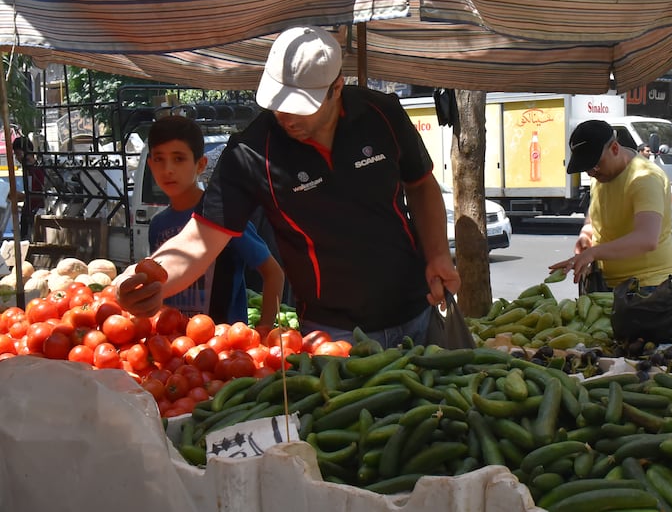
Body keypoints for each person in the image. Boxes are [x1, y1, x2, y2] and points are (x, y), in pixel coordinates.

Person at [116, 25, 460, 347]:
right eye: (277, 102)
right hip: (334, 334)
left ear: (336, 88)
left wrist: (438, 253)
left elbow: (420, 184)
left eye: (299, 106)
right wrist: (155, 279)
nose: (286, 116)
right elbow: (201, 239)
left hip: (418, 310)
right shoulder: (250, 152)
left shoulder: (381, 114)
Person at [143, 115, 284, 328]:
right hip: (174, 346)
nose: (168, 169)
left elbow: (273, 273)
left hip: (223, 348)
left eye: (179, 158)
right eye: (159, 159)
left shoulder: (223, 217)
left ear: (201, 165)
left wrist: (264, 330)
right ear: (150, 164)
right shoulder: (157, 225)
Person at [548, 119, 672, 293]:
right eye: (587, 168)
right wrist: (586, 235)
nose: (591, 173)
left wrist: (593, 253)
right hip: (606, 282)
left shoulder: (645, 178)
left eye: (595, 165)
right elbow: (596, 215)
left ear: (615, 148)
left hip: (647, 286)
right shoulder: (601, 176)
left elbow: (646, 239)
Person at [12, 136, 45, 240]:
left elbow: (37, 194)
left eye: (17, 154)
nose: (16, 158)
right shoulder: (28, 170)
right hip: (28, 213)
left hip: (35, 214)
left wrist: (21, 196)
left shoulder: (36, 170)